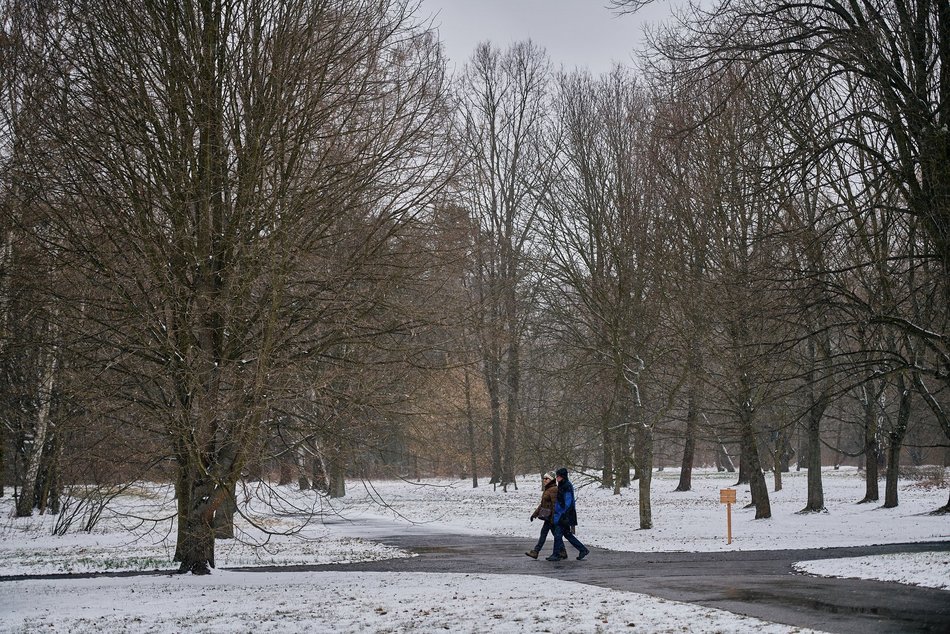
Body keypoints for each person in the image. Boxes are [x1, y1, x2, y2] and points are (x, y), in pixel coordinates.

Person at [546, 467, 590, 561]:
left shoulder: (566, 486)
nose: (557, 478)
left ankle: (556, 554)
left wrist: (562, 513)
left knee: (558, 534)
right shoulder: (562, 485)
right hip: (564, 514)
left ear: (562, 477)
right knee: (567, 534)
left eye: (558, 476)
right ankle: (583, 549)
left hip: (565, 514)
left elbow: (568, 502)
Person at [525, 472, 559, 559]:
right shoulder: (548, 489)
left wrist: (554, 518)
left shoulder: (553, 489)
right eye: (543, 478)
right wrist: (535, 514)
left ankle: (536, 551)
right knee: (553, 534)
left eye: (546, 478)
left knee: (545, 534)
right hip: (548, 517)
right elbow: (542, 504)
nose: (544, 480)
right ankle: (562, 551)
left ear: (551, 480)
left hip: (551, 517)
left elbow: (555, 505)